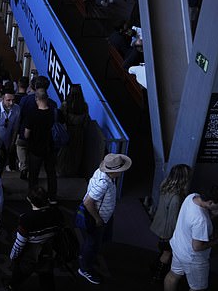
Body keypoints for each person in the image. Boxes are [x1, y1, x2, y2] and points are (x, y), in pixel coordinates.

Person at [164, 185, 218, 291]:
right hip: (192, 258)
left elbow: (193, 224)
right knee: (197, 288)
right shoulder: (201, 220)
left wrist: (213, 215)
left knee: (173, 276)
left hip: (178, 247)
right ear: (210, 202)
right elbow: (197, 247)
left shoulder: (192, 197)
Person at [77, 152, 132, 285]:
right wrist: (98, 219)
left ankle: (87, 257)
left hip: (104, 216)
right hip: (98, 218)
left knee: (94, 242)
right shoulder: (103, 183)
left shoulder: (104, 174)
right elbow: (88, 202)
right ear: (114, 171)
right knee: (92, 243)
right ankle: (84, 268)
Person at [9, 187, 64, 291]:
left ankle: (12, 286)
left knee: (21, 273)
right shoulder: (56, 213)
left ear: (29, 200)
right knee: (46, 276)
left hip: (30, 253)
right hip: (48, 250)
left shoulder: (26, 219)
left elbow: (20, 242)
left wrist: (13, 255)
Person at [149, 164, 193, 283]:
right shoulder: (176, 198)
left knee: (163, 251)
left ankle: (155, 268)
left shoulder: (165, 186)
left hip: (160, 225)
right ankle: (157, 276)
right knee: (167, 253)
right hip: (167, 230)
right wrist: (176, 235)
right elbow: (173, 220)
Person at [24, 89, 57, 202]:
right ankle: (52, 197)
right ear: (47, 98)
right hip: (50, 147)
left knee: (33, 175)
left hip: (35, 148)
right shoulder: (53, 112)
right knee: (51, 174)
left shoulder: (32, 114)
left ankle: (33, 197)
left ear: (36, 98)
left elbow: (27, 134)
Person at [57, 84, 89, 177]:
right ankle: (73, 171)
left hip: (67, 131)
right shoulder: (84, 105)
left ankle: (62, 171)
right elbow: (86, 121)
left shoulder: (65, 104)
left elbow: (60, 117)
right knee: (76, 152)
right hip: (79, 132)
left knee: (64, 152)